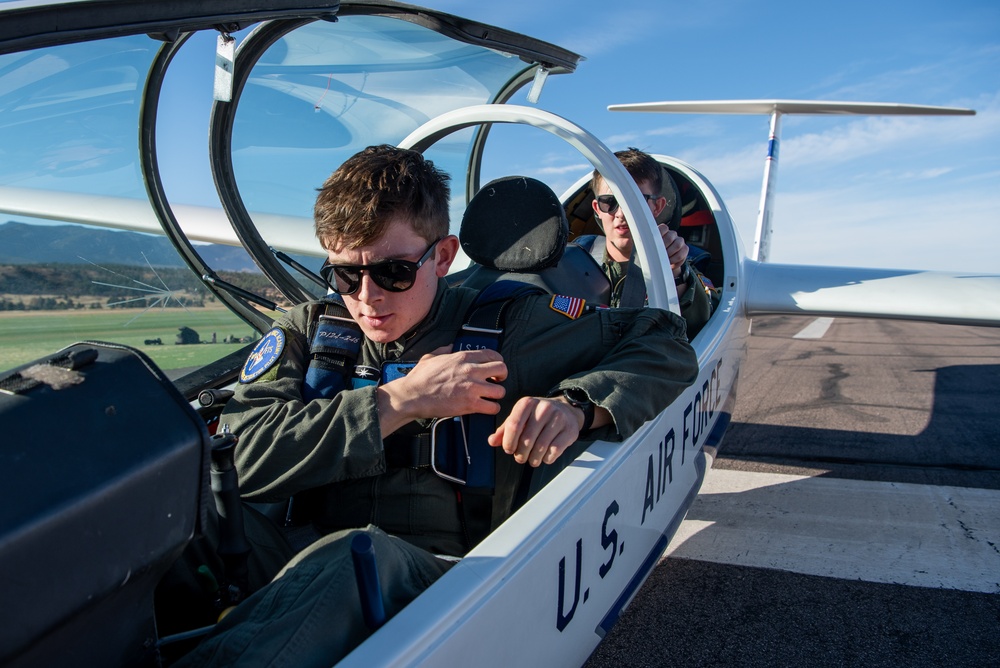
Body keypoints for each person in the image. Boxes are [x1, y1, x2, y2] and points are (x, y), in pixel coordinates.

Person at [175, 145, 698, 666]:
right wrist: (400, 400)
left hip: (443, 577)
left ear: (443, 257)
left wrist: (577, 404)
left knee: (354, 559)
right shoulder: (309, 331)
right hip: (296, 550)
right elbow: (239, 458)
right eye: (344, 275)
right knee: (178, 522)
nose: (367, 297)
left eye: (394, 272)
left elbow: (664, 340)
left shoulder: (508, 325)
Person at [579, 147, 713, 337]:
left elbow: (699, 325)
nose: (621, 214)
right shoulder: (572, 260)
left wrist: (675, 274)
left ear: (657, 206)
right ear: (597, 208)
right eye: (609, 201)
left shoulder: (684, 266)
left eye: (634, 201)